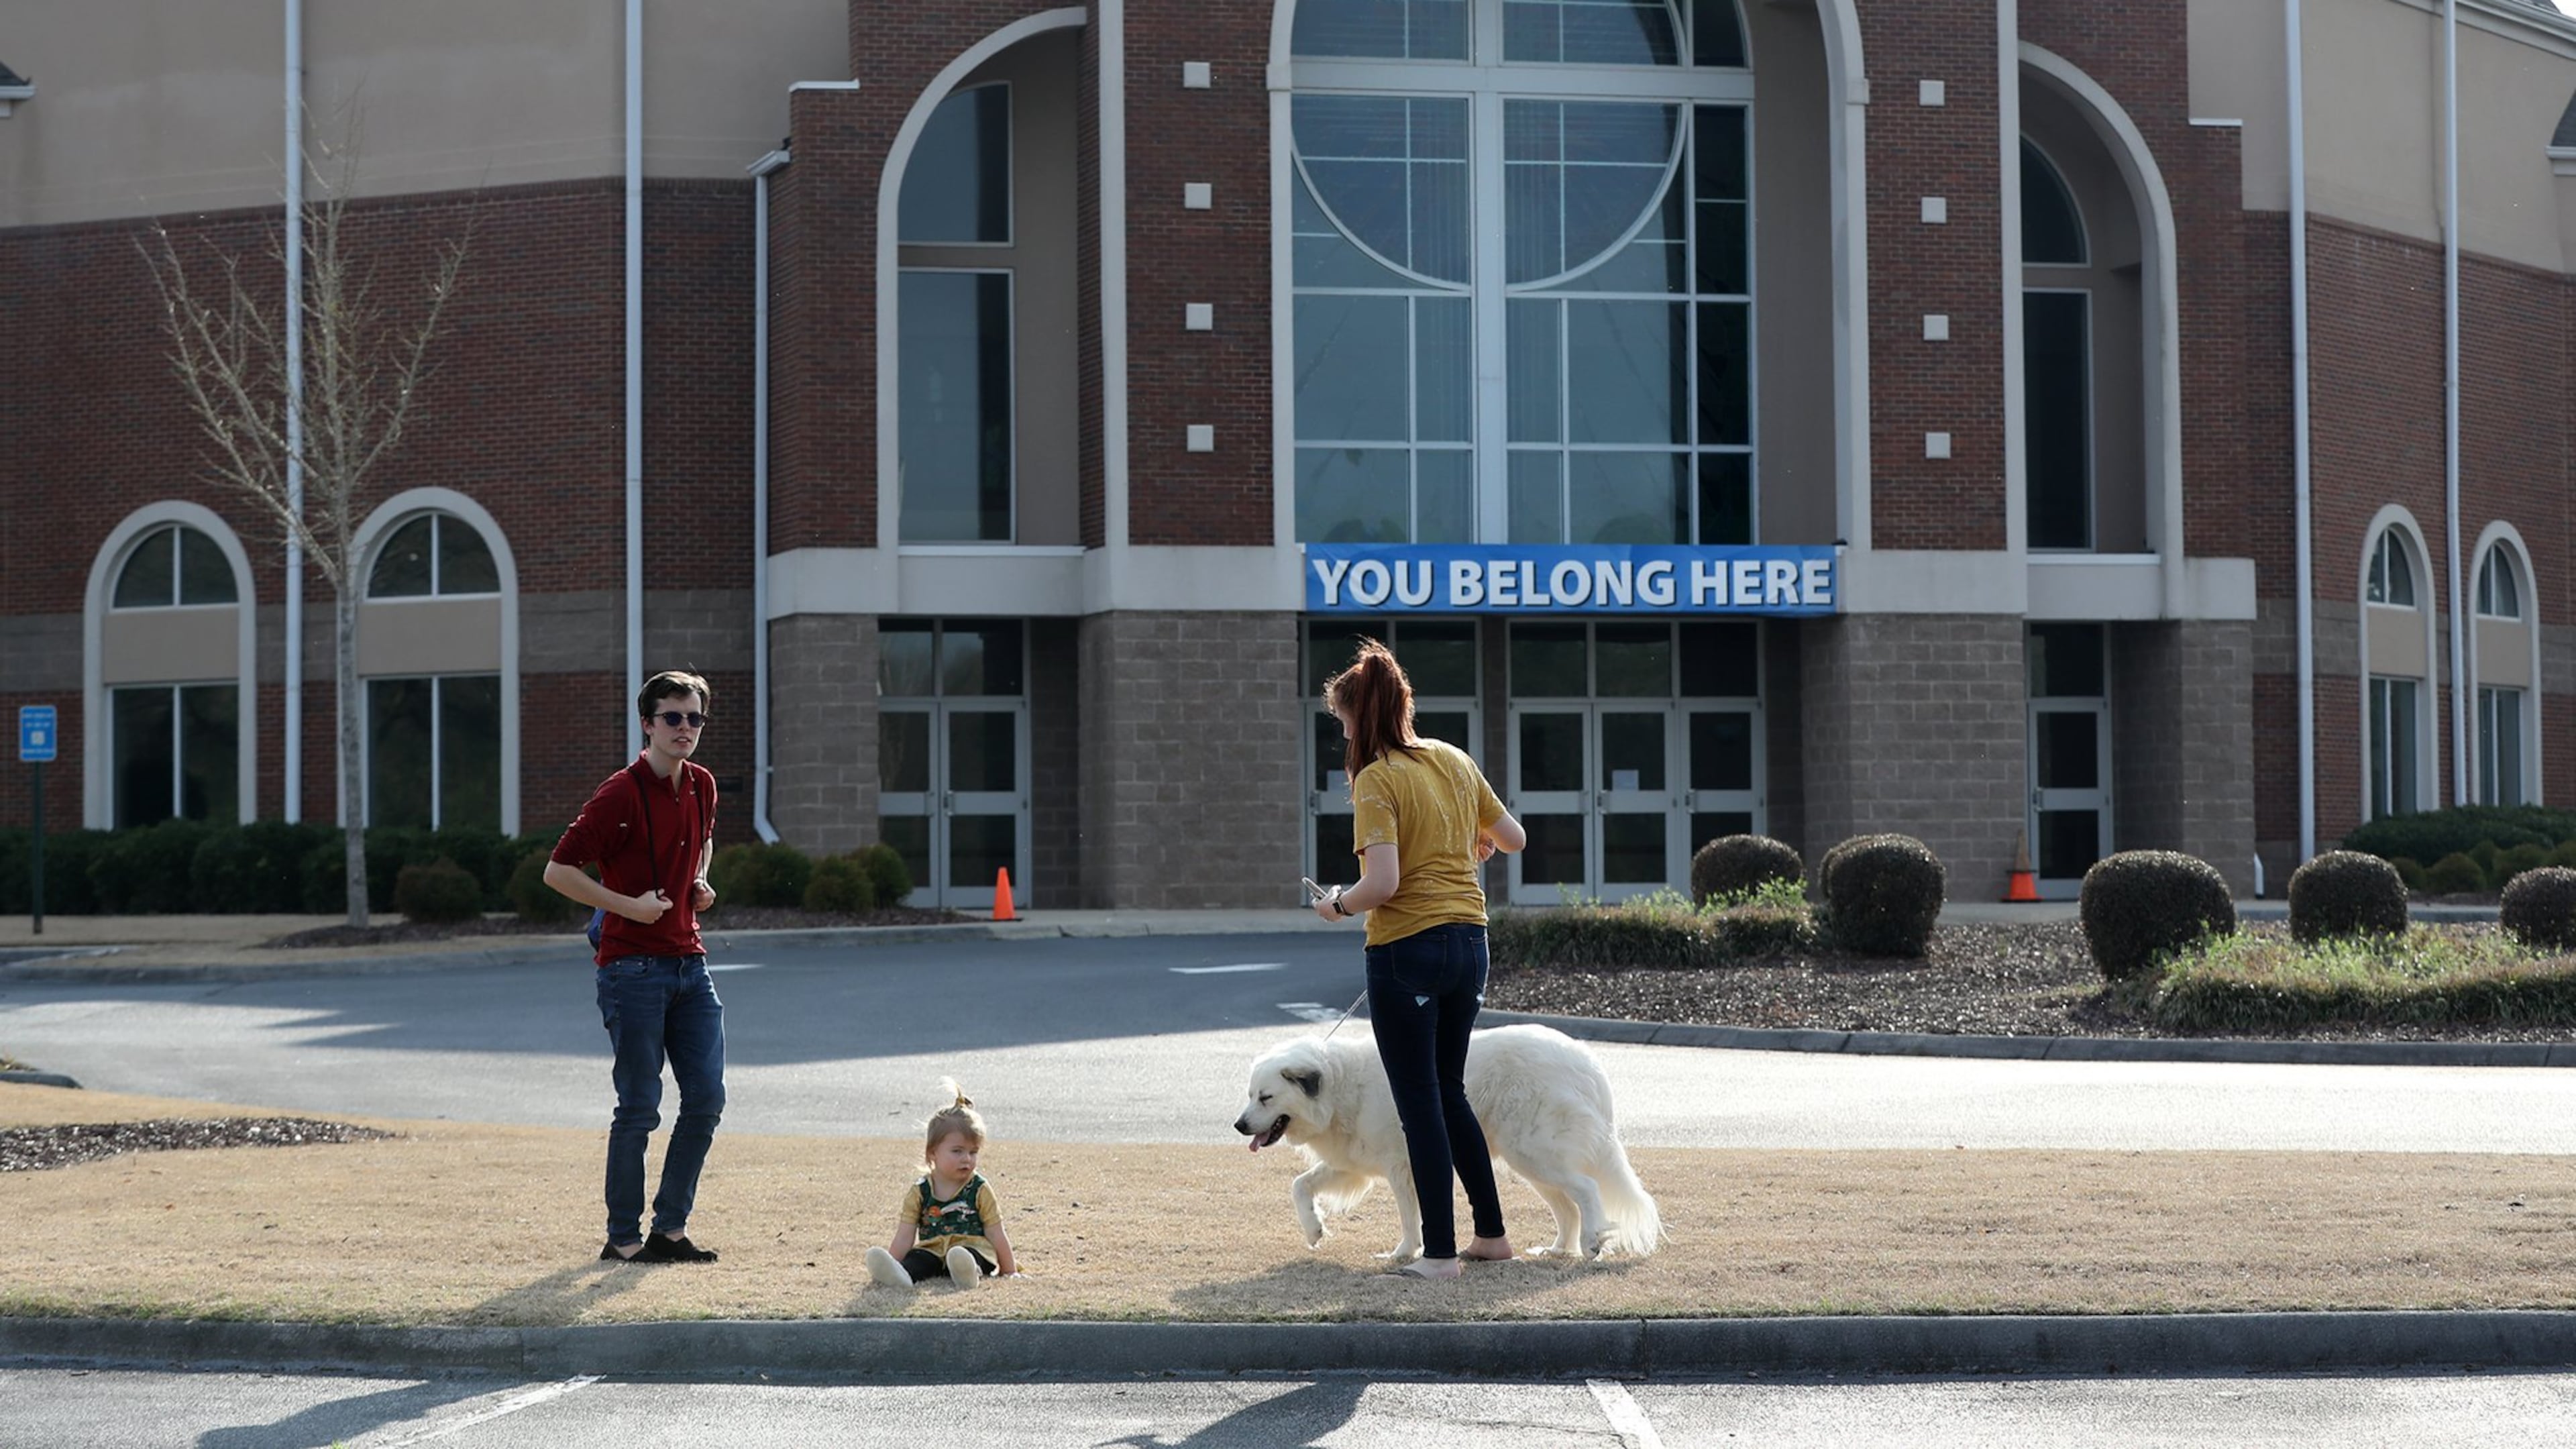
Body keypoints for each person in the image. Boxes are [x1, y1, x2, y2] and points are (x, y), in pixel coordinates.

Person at [1311, 637, 1527, 1280]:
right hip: (1471, 942)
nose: (1343, 733)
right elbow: (1514, 839)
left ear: (1360, 716)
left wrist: (1336, 905)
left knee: (1419, 1103)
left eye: (1342, 721)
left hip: (1408, 949)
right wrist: (1473, 838)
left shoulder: (1377, 778)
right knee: (1449, 1092)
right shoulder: (1453, 758)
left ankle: (1438, 1255)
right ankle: (1491, 1236)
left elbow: (1383, 885)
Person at [545, 669, 726, 1265]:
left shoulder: (702, 784)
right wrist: (630, 907)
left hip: (690, 965)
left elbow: (702, 840)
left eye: (694, 718)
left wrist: (700, 881)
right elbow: (558, 871)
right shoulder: (619, 793)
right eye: (672, 717)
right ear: (647, 724)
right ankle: (623, 1239)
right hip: (632, 970)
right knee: (640, 1107)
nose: (684, 728)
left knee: (706, 1100)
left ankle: (669, 1231)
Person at [866, 1079, 1020, 1289]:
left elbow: (996, 1232)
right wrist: (893, 1261)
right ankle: (898, 1275)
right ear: (933, 1153)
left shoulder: (979, 1189)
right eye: (957, 1151)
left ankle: (968, 1274)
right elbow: (905, 1235)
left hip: (972, 1248)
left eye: (973, 1152)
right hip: (933, 1249)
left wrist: (1009, 1270)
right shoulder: (920, 1190)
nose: (967, 1159)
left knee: (966, 1256)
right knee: (918, 1260)